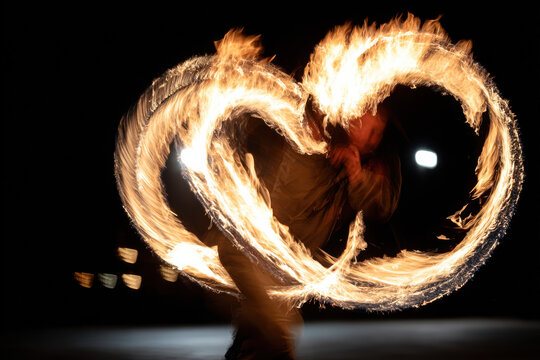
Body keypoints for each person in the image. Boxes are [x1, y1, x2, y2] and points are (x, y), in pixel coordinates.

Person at [203, 98, 401, 359]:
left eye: (379, 131)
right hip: (253, 250)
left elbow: (381, 207)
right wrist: (312, 141)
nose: (374, 137)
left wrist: (355, 173)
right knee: (280, 330)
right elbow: (283, 199)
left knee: (254, 337)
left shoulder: (370, 165)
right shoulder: (311, 139)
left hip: (282, 267)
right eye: (368, 124)